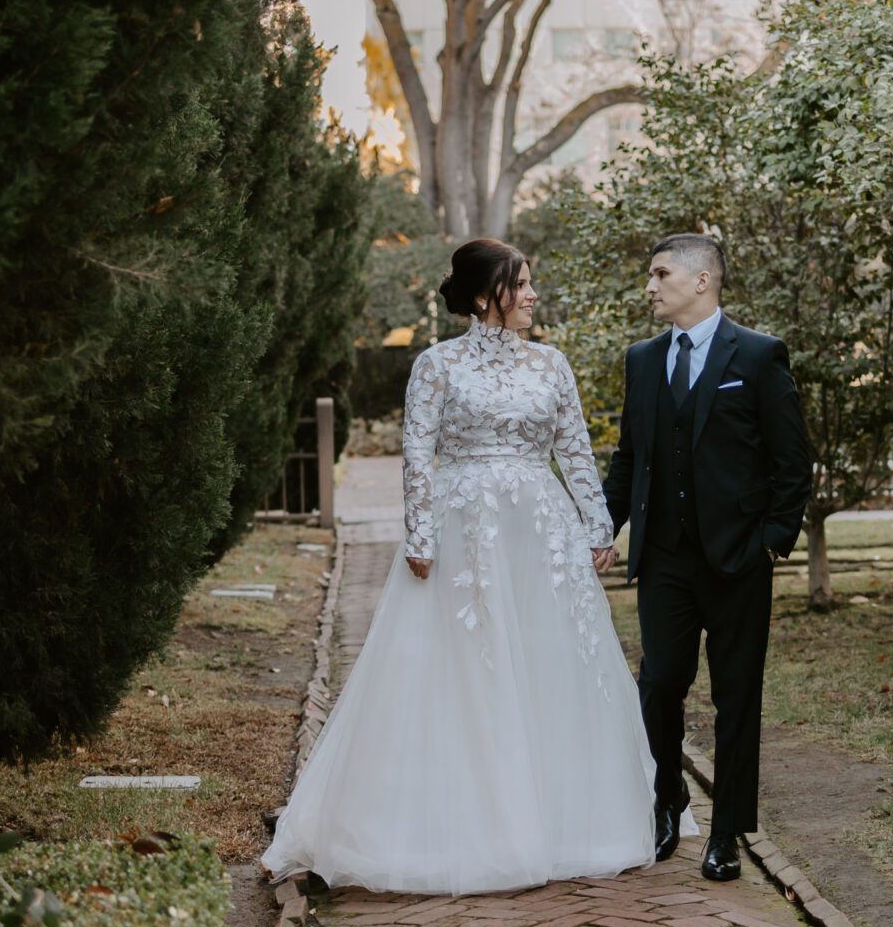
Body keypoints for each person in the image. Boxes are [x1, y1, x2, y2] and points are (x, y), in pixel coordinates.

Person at [260, 239, 661, 894]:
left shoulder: (552, 364)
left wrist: (596, 525)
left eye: (533, 282)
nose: (533, 294)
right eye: (521, 283)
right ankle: (461, 823)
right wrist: (418, 534)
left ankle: (562, 821)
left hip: (541, 530)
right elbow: (417, 453)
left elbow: (576, 450)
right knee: (464, 664)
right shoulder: (437, 365)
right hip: (464, 528)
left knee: (549, 660)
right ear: (483, 296)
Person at [603, 234, 812, 881]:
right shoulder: (641, 359)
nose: (650, 285)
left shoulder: (756, 354)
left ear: (702, 281)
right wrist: (600, 527)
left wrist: (772, 539)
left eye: (660, 273)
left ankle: (727, 833)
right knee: (659, 684)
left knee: (736, 696)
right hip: (664, 557)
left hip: (737, 559)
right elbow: (628, 457)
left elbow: (792, 462)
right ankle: (668, 796)